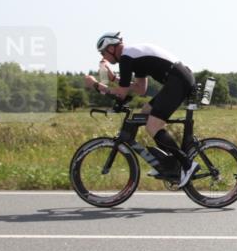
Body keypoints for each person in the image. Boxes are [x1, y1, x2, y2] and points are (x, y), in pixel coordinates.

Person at [84, 32, 200, 186]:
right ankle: (169, 164)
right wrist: (112, 79)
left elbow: (121, 93)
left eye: (103, 52)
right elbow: (140, 89)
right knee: (145, 112)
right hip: (178, 79)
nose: (103, 56)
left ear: (112, 48)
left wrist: (95, 85)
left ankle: (186, 164)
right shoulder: (132, 56)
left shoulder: (126, 58)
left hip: (178, 81)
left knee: (153, 126)